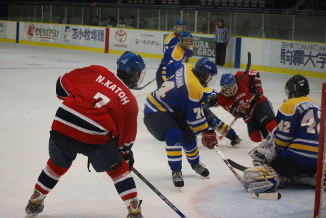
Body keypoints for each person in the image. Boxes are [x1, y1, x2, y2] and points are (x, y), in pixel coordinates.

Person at [24, 51, 146, 218]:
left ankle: (35, 201)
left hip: (62, 123)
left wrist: (81, 101)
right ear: (135, 73)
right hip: (93, 136)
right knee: (119, 170)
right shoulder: (130, 102)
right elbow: (126, 138)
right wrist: (124, 155)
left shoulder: (97, 71)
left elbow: (61, 86)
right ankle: (134, 210)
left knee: (56, 164)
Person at [143, 58, 218, 189]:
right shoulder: (193, 87)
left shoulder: (187, 67)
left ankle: (195, 164)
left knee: (188, 135)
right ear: (203, 73)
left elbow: (171, 66)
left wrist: (204, 95)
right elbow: (195, 120)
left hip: (173, 107)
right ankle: (176, 170)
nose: (209, 79)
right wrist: (206, 131)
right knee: (174, 134)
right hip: (154, 109)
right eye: (209, 76)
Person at [244, 75, 321, 193]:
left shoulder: (290, 105)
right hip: (318, 161)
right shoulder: (318, 105)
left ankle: (276, 177)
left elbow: (282, 140)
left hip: (296, 160)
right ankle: (309, 177)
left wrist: (269, 156)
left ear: (290, 90)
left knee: (273, 158)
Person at [216, 71, 277, 143]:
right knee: (256, 137)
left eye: (231, 87)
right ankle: (270, 139)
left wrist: (257, 85)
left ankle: (283, 137)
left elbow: (255, 73)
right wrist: (239, 110)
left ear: (235, 83)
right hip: (248, 114)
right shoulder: (221, 98)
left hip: (258, 102)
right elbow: (233, 110)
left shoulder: (241, 76)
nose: (229, 91)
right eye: (226, 88)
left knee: (271, 125)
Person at [155, 20, 185, 88]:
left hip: (178, 66)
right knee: (161, 82)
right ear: (175, 28)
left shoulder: (184, 38)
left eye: (182, 27)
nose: (180, 29)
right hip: (168, 63)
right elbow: (168, 56)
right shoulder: (170, 39)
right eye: (178, 27)